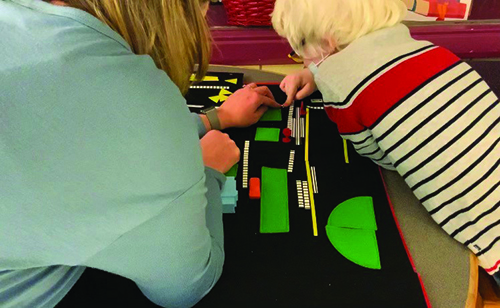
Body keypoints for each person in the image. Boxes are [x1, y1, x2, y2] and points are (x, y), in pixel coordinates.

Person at [0, 0, 280, 307]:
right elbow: (185, 286)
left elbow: (77, 119)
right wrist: (207, 170)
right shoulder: (144, 101)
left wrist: (214, 118)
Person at [272, 0, 500, 286]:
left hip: (487, 224)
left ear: (327, 42)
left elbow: (377, 154)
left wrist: (324, 77)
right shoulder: (426, 48)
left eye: (299, 50)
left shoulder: (340, 88)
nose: (301, 59)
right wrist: (314, 75)